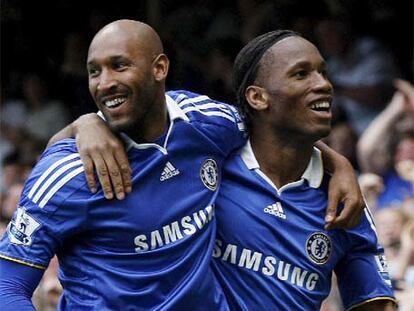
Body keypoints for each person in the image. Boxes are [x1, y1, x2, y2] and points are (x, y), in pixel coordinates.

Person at [0, 20, 363, 310]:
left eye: (119, 66)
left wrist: (338, 163)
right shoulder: (69, 171)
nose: (105, 83)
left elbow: (272, 126)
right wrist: (84, 122)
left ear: (160, 68)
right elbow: (7, 286)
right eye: (95, 72)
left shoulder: (206, 123)